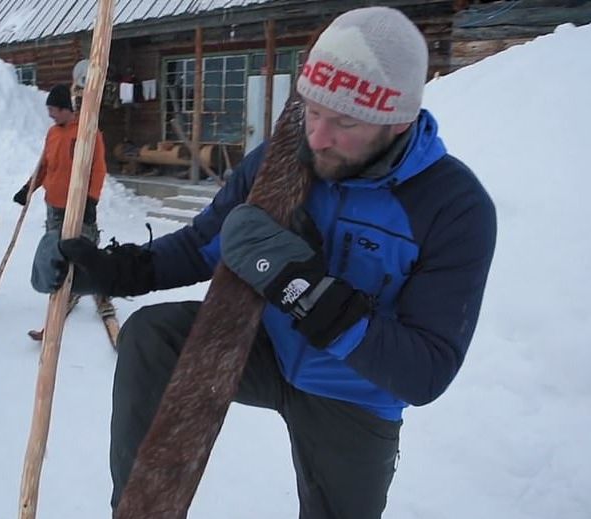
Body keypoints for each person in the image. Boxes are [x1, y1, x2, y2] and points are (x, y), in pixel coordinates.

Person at [35, 7, 497, 517]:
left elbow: (425, 372)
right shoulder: (284, 159)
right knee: (152, 336)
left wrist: (302, 287)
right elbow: (200, 246)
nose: (317, 137)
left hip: (354, 392)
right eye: (313, 111)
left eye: (344, 122)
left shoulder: (452, 208)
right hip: (260, 346)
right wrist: (111, 271)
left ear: (399, 121)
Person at [16, 84, 108, 337]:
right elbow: (45, 166)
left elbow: (98, 169)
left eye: (54, 110)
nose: (50, 115)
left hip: (79, 203)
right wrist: (28, 188)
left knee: (85, 247)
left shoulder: (88, 132)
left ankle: (100, 288)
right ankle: (65, 293)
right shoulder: (52, 133)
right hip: (54, 203)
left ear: (66, 109)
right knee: (57, 250)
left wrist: (91, 200)